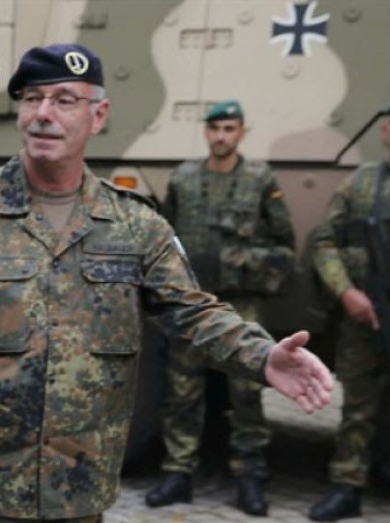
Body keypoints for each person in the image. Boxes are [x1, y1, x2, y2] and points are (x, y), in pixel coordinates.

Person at [0, 43, 332, 523]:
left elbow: (194, 312)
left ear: (99, 115)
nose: (44, 113)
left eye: (64, 100)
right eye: (32, 98)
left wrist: (264, 356)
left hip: (78, 488)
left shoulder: (136, 225)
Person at [145, 100, 296, 516]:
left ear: (242, 132)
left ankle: (250, 474)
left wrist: (241, 265)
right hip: (190, 303)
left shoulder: (260, 180)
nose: (221, 136)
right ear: (206, 132)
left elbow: (284, 248)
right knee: (182, 392)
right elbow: (167, 238)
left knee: (247, 392)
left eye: (229, 128)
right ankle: (178, 472)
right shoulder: (184, 178)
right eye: (215, 128)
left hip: (240, 305)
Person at [308, 92, 390, 522]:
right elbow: (324, 241)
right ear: (384, 131)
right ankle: (347, 486)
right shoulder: (360, 183)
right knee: (357, 406)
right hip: (366, 315)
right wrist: (346, 292)